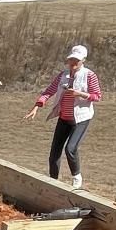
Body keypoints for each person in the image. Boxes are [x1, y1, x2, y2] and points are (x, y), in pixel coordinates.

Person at [26, 43, 101, 186]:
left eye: (76, 60)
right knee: (54, 152)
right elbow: (49, 91)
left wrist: (80, 94)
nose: (73, 63)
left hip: (80, 118)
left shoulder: (89, 75)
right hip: (64, 117)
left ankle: (77, 178)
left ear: (83, 60)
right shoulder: (63, 75)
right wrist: (37, 106)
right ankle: (53, 181)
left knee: (70, 149)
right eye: (71, 59)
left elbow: (97, 96)